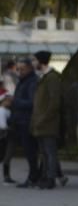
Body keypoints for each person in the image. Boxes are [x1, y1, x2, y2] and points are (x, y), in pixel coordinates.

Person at [30, 51, 63, 189]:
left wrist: (44, 118)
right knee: (44, 152)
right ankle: (45, 177)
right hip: (40, 122)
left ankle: (50, 178)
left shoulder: (51, 78)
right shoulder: (43, 77)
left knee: (49, 152)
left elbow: (54, 101)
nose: (33, 63)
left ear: (41, 61)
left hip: (48, 123)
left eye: (35, 60)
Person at [11, 57, 39, 187]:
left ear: (29, 68)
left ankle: (34, 177)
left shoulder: (32, 82)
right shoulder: (23, 81)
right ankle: (35, 176)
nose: (19, 71)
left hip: (27, 121)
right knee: (29, 152)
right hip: (20, 120)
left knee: (30, 151)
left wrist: (14, 101)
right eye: (18, 69)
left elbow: (32, 103)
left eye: (22, 69)